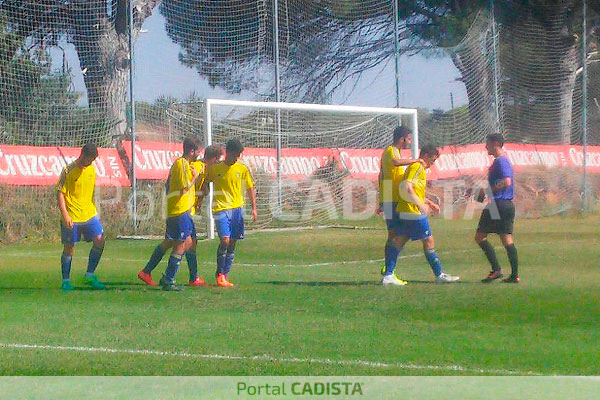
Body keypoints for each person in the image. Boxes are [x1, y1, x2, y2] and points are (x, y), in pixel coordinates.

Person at [381, 145, 459, 285]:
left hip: (405, 209)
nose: (432, 164)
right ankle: (439, 274)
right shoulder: (417, 167)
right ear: (425, 156)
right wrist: (420, 205)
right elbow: (406, 187)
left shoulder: (416, 168)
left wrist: (429, 202)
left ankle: (388, 275)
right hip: (412, 211)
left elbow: (414, 191)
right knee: (428, 240)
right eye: (432, 160)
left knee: (399, 240)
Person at [137, 137, 202, 291]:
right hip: (179, 210)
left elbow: (169, 185)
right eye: (197, 152)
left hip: (177, 210)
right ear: (191, 150)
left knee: (172, 242)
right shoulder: (181, 165)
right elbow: (184, 187)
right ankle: (169, 279)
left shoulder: (183, 164)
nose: (198, 155)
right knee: (181, 244)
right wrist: (194, 178)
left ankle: (146, 272)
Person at [202, 138, 257, 287]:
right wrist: (204, 192)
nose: (237, 157)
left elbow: (250, 187)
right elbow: (205, 181)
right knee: (225, 240)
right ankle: (220, 273)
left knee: (233, 242)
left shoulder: (242, 168)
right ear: (229, 152)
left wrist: (254, 207)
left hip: (237, 209)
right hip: (220, 208)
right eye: (236, 154)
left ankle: (224, 274)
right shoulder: (216, 168)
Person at [57, 143, 106, 291]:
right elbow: (60, 193)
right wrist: (65, 215)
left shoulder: (91, 169)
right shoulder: (68, 170)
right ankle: (66, 281)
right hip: (72, 215)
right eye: (90, 159)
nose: (91, 162)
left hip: (89, 214)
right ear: (82, 155)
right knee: (69, 248)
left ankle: (89, 275)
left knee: (100, 240)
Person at [377, 125, 423, 285]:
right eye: (409, 139)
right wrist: (415, 160)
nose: (410, 142)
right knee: (398, 234)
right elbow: (395, 163)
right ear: (402, 139)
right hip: (392, 200)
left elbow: (381, 175)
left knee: (397, 234)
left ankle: (388, 269)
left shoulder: (393, 153)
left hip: (393, 199)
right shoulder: (391, 151)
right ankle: (389, 272)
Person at [476, 134, 519, 283]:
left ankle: (496, 270)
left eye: (487, 144)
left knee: (480, 237)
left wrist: (487, 191)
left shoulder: (501, 161)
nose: (485, 147)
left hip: (498, 204)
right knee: (506, 238)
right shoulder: (501, 161)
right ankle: (514, 275)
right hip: (506, 204)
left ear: (495, 144)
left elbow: (507, 182)